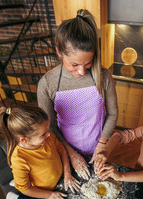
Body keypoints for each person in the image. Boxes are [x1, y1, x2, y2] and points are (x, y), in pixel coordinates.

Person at [37, 9, 118, 180]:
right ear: (59, 51)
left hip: (99, 146)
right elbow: (49, 127)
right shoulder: (47, 83)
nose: (81, 71)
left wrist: (101, 146)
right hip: (64, 150)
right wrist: (71, 154)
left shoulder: (103, 76)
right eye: (74, 64)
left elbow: (112, 113)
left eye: (88, 63)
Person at [0, 105, 80, 199]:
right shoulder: (19, 160)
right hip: (44, 190)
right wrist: (50, 195)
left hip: (60, 179)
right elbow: (25, 189)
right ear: (24, 140)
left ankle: (20, 179)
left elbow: (62, 151)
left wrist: (67, 174)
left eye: (47, 129)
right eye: (43, 134)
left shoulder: (48, 137)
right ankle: (14, 198)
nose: (49, 134)